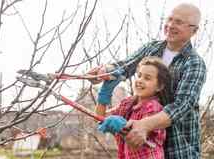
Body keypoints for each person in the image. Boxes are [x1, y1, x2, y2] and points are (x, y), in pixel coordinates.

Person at [89, 3, 207, 159]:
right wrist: (105, 72)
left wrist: (145, 125)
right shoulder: (152, 48)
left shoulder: (194, 63)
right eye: (169, 19)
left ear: (194, 30)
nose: (170, 25)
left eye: (178, 22)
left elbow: (182, 105)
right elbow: (124, 67)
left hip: (177, 148)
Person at [98, 57, 172, 159]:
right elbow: (100, 118)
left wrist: (122, 125)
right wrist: (104, 93)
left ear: (159, 86)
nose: (140, 80)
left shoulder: (154, 108)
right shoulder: (128, 104)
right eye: (139, 76)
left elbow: (136, 140)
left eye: (147, 78)